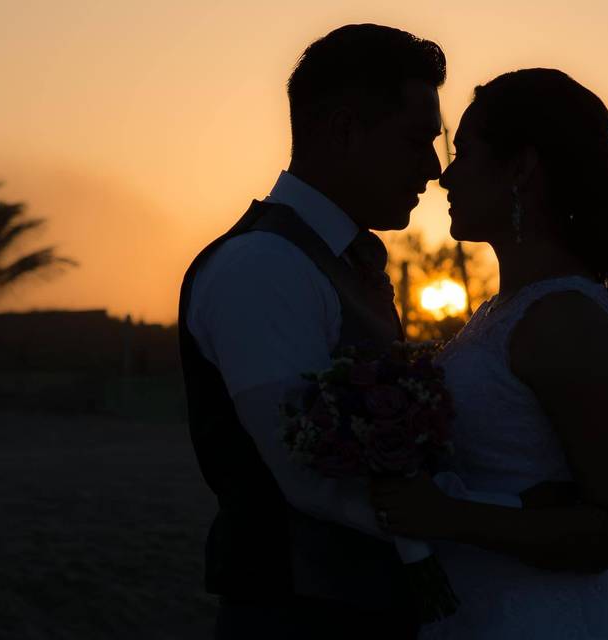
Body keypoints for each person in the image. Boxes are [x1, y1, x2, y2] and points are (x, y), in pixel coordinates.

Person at [370, 68, 608, 639]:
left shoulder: (563, 320)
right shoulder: (503, 312)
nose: (445, 175)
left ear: (521, 168)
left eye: (465, 153)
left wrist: (447, 516)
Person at [178, 24, 448, 639]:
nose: (433, 169)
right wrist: (479, 518)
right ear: (344, 131)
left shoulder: (343, 259)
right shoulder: (263, 267)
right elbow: (307, 477)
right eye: (416, 141)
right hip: (298, 617)